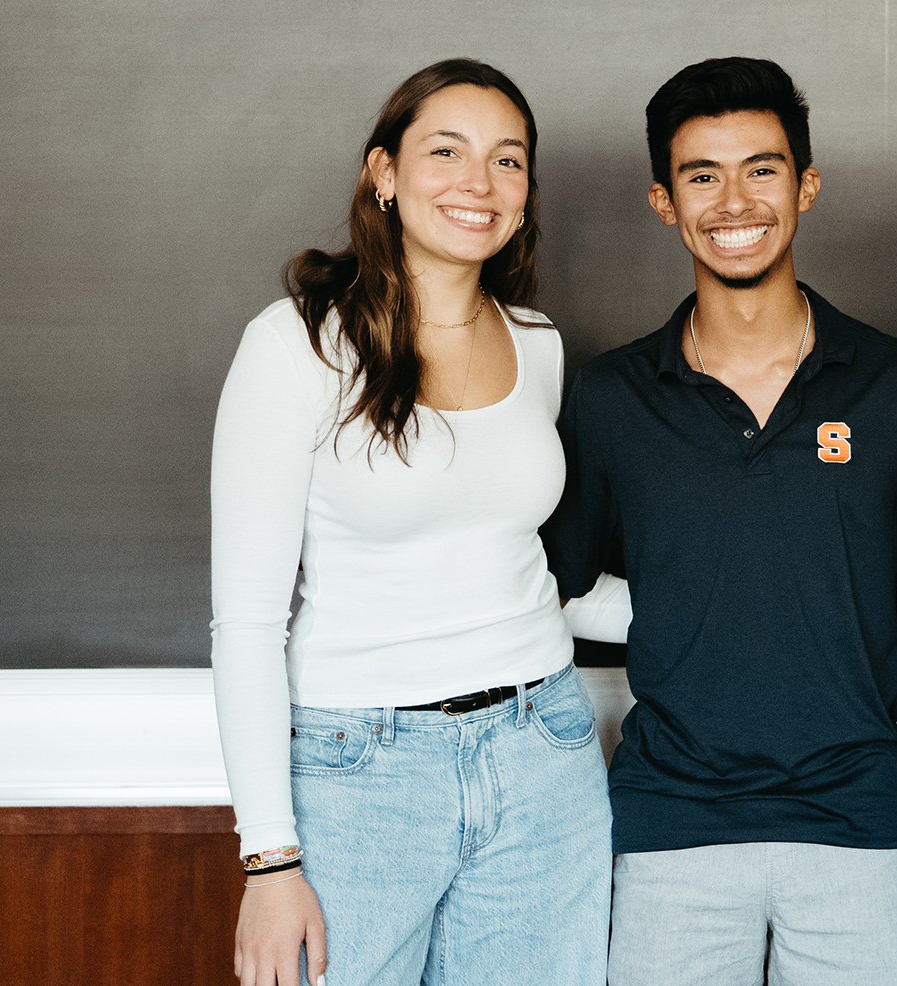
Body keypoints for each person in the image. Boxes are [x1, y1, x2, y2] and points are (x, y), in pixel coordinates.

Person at [541, 57, 897, 986]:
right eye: (702, 175)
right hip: (670, 822)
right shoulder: (610, 399)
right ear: (663, 201)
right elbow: (551, 588)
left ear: (805, 185)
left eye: (762, 169)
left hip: (859, 819)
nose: (736, 201)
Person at [209, 59, 611, 986]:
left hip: (544, 750)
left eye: (508, 161)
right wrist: (271, 861)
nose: (480, 183)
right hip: (359, 776)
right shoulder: (297, 345)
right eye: (446, 151)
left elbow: (522, 568)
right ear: (383, 173)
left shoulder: (539, 345)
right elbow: (247, 625)